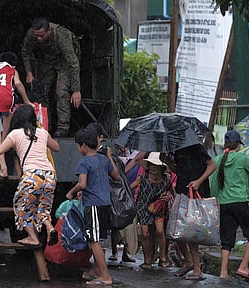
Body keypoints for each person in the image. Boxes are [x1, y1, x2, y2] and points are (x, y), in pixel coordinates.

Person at [0, 104, 60, 247]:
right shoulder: (42, 132)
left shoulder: (15, 134)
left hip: (32, 176)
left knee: (20, 207)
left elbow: (0, 149)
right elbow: (57, 147)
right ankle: (50, 228)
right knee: (43, 208)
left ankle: (32, 237)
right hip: (50, 176)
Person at [210, 130, 249, 280]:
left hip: (224, 204)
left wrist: (216, 202)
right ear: (238, 145)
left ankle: (223, 272)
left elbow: (214, 185)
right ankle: (243, 266)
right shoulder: (242, 158)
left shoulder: (218, 159)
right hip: (242, 202)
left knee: (227, 239)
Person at [66, 128, 119, 286]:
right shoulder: (103, 159)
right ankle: (97, 270)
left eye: (77, 145)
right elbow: (116, 175)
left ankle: (105, 276)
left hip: (93, 205)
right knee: (99, 239)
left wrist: (71, 192)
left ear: (83, 145)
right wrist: (109, 156)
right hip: (105, 204)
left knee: (94, 241)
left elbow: (82, 184)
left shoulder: (84, 162)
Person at [161, 143, 216, 280]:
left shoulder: (196, 147)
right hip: (182, 191)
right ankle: (188, 260)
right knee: (176, 230)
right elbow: (181, 171)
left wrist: (198, 181)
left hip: (197, 192)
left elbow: (212, 165)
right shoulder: (176, 150)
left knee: (192, 231)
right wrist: (168, 162)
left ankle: (197, 268)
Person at [21, 17, 81, 137]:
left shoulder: (61, 35)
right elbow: (26, 52)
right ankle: (44, 124)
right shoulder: (31, 34)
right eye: (36, 36)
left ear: (49, 31)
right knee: (42, 92)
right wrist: (29, 72)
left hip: (64, 62)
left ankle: (63, 127)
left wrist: (76, 90)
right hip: (48, 60)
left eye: (42, 36)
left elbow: (73, 63)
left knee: (61, 92)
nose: (39, 39)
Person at [86, 122, 135, 263]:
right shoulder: (99, 153)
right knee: (103, 230)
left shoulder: (106, 153)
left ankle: (101, 268)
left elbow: (116, 175)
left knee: (101, 232)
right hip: (104, 196)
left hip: (106, 197)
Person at [0, 52, 32, 178]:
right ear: (13, 65)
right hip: (6, 99)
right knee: (7, 113)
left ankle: (3, 168)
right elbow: (18, 83)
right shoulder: (11, 70)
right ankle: (5, 138)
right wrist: (27, 101)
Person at [135, 152, 171, 271]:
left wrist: (168, 196)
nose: (153, 168)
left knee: (160, 231)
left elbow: (172, 193)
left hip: (158, 207)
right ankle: (147, 260)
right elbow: (130, 186)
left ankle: (163, 256)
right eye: (151, 165)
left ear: (161, 168)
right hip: (143, 206)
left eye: (155, 166)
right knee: (145, 233)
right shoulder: (143, 177)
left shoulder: (167, 179)